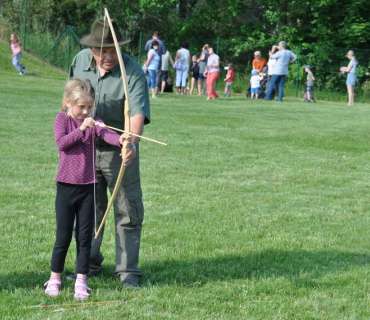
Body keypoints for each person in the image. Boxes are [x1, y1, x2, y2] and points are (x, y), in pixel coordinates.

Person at [68, 19, 150, 288]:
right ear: (92, 49)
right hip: (86, 149)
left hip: (118, 151)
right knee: (89, 209)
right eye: (102, 50)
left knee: (127, 209)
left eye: (113, 50)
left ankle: (128, 272)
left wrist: (131, 144)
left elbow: (137, 112)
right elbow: (69, 101)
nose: (108, 56)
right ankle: (88, 266)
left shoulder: (133, 71)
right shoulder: (79, 62)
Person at [44, 78, 130, 299]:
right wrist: (82, 128)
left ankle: (81, 280)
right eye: (81, 106)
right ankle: (55, 278)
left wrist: (121, 139)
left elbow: (105, 133)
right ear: (68, 102)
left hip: (88, 188)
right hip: (65, 186)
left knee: (84, 237)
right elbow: (62, 143)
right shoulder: (62, 119)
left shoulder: (94, 121)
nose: (85, 111)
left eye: (89, 107)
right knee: (63, 236)